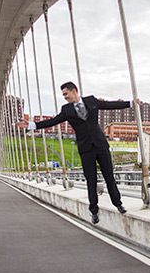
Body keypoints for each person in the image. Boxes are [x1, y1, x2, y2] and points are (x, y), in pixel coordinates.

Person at [17, 81, 138, 224]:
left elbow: (110, 105)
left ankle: (118, 204)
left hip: (101, 145)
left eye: (65, 94)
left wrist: (131, 103)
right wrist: (33, 125)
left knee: (109, 176)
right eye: (63, 95)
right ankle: (94, 210)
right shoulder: (66, 110)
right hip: (85, 148)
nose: (64, 97)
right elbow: (53, 121)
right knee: (90, 180)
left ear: (73, 91)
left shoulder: (91, 101)